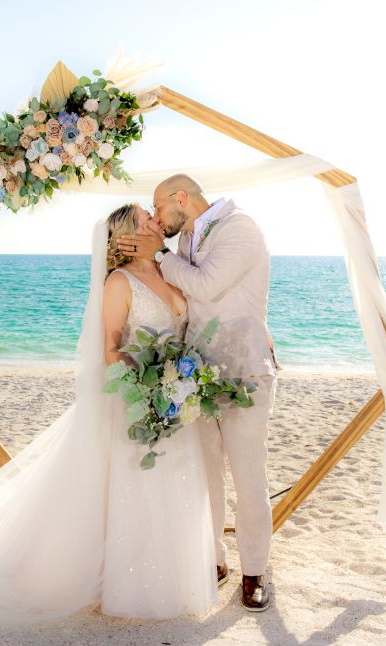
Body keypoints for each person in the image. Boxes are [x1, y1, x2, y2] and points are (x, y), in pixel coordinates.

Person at [0, 204, 217, 628]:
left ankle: (170, 579)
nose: (155, 221)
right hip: (137, 399)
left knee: (171, 484)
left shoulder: (172, 271)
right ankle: (128, 588)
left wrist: (181, 384)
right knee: (135, 486)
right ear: (126, 235)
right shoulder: (118, 282)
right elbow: (111, 350)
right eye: (146, 217)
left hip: (175, 399)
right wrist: (151, 388)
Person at [117, 175, 278, 611]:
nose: (155, 217)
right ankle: (214, 561)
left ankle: (255, 573)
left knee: (248, 477)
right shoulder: (187, 238)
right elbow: (189, 305)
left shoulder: (239, 227)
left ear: (181, 199)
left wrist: (159, 254)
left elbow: (205, 286)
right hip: (196, 377)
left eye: (158, 207)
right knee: (205, 475)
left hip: (244, 372)